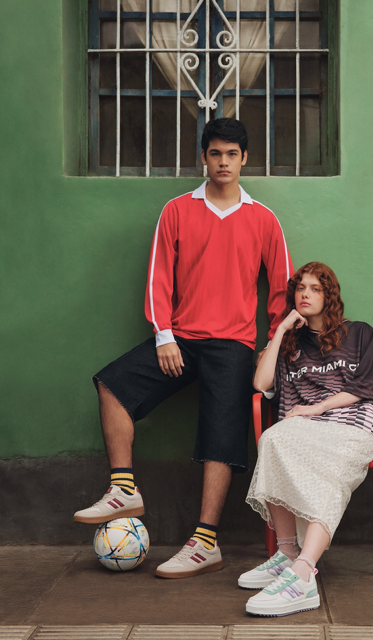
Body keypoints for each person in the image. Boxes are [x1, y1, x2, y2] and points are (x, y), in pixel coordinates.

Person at [73, 118, 293, 580]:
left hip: (233, 345)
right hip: (181, 340)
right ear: (204, 158)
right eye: (215, 153)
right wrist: (165, 335)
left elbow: (281, 291)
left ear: (245, 159)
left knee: (221, 437)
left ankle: (204, 543)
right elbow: (159, 276)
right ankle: (123, 489)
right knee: (112, 384)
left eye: (232, 154)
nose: (223, 162)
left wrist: (271, 344)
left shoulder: (264, 219)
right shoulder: (177, 210)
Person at [238, 262, 373, 617]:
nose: (305, 294)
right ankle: (287, 553)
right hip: (310, 424)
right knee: (273, 439)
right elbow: (260, 384)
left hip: (359, 419)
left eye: (315, 288)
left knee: (330, 465)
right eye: (300, 288)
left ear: (329, 296)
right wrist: (280, 331)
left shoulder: (359, 333)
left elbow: (369, 387)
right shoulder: (290, 345)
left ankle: (305, 573)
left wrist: (318, 407)